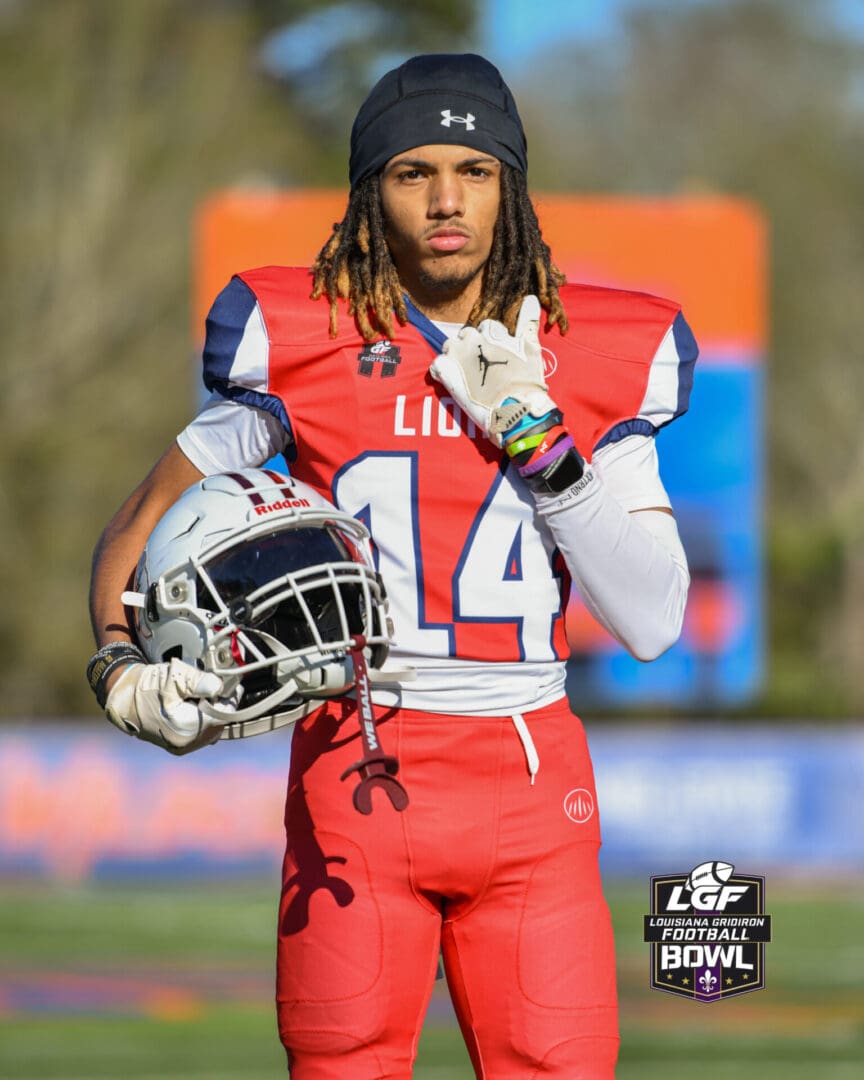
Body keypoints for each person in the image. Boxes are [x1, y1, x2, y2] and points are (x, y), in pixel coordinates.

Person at [88, 53, 696, 1079]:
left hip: (531, 775)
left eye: (475, 170)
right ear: (373, 192)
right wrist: (117, 664)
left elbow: (653, 620)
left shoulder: (594, 349)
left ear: (512, 187)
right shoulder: (305, 339)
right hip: (355, 760)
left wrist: (547, 450)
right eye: (415, 172)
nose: (447, 200)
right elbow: (137, 527)